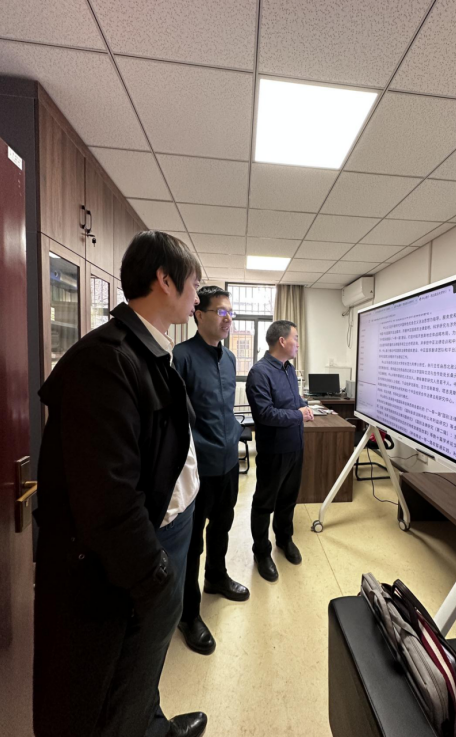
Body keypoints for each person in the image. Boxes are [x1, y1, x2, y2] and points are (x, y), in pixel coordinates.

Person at [34, 231, 208, 737]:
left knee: (144, 667)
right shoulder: (105, 360)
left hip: (168, 532)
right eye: (195, 285)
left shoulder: (148, 349)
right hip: (138, 555)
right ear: (165, 280)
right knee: (116, 681)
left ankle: (153, 725)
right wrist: (157, 579)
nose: (199, 297)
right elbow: (107, 500)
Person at [173, 286, 249, 656]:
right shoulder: (181, 357)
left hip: (228, 462)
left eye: (230, 312)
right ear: (198, 314)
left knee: (222, 525)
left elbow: (224, 409)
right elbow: (177, 419)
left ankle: (216, 578)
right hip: (197, 468)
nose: (227, 318)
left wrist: (232, 435)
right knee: (192, 542)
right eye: (220, 311)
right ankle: (188, 614)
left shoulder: (230, 358)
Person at [246, 320, 314, 582]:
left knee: (288, 498)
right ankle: (261, 552)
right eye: (295, 338)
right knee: (265, 502)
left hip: (295, 446)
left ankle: (284, 539)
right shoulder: (259, 373)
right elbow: (264, 414)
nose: (298, 343)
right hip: (274, 450)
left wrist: (305, 405)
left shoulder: (289, 368)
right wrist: (299, 415)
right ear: (282, 341)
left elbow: (292, 401)